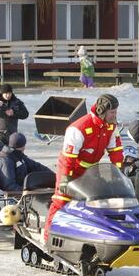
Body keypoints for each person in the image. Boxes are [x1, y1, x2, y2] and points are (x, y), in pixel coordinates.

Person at [44, 94, 124, 233]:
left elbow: (115, 150)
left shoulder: (111, 126)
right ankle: (48, 236)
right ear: (102, 111)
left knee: (96, 201)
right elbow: (68, 158)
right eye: (112, 112)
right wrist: (65, 179)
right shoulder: (78, 128)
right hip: (71, 169)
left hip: (91, 171)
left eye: (116, 112)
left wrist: (119, 172)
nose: (115, 115)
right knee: (61, 201)